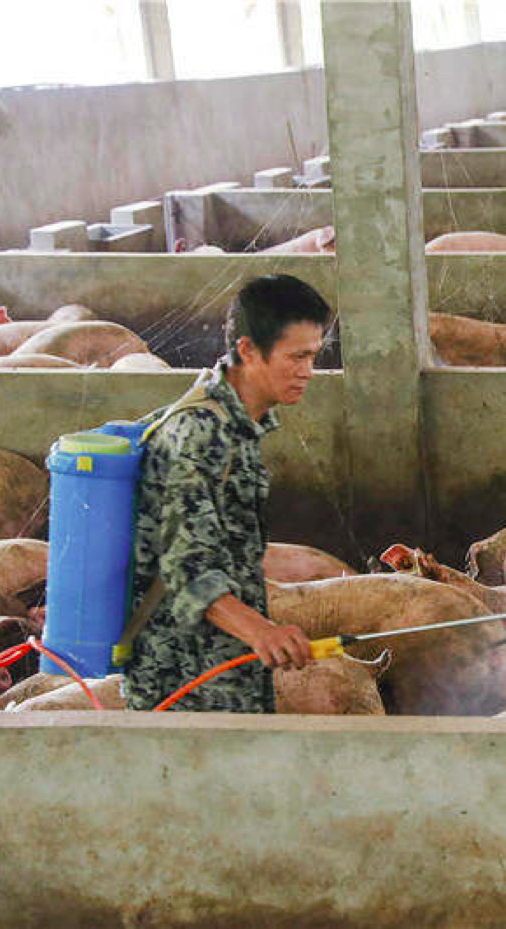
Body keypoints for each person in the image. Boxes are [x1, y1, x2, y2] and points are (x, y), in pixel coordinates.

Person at [121, 275, 332, 712]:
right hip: (182, 680)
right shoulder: (198, 433)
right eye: (297, 357)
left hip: (223, 665)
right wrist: (262, 632)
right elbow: (188, 567)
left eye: (313, 356)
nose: (307, 371)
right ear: (249, 350)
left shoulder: (236, 429)